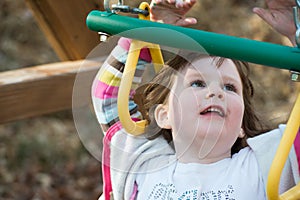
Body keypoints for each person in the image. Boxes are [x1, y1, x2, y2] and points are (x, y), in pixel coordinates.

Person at [92, 0, 299, 199]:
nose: (216, 93)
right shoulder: (147, 164)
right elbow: (109, 98)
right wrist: (149, 34)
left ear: (241, 127)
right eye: (197, 83)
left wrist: (297, 32)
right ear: (165, 115)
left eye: (229, 87)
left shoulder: (265, 164)